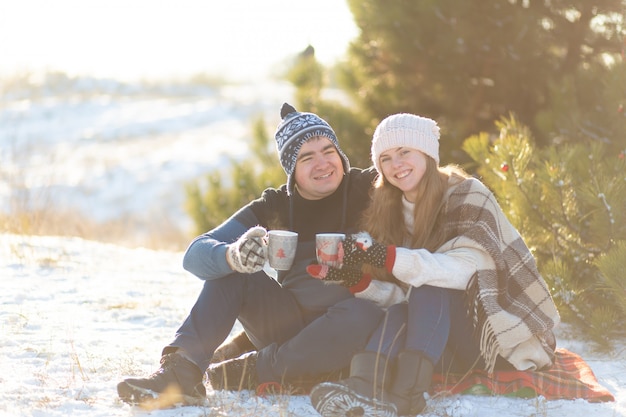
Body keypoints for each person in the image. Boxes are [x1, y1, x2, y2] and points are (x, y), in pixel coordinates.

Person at [116, 103, 386, 407]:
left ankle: (262, 369)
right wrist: (233, 256)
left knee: (366, 311)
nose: (322, 163)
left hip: (349, 324)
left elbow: (420, 183)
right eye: (307, 157)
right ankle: (181, 374)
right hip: (286, 324)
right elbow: (194, 254)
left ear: (340, 154)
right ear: (292, 171)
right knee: (232, 274)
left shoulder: (370, 187)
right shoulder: (276, 205)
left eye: (328, 151)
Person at [306, 113, 561, 417]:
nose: (396, 164)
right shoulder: (390, 208)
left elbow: (466, 272)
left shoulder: (467, 195)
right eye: (385, 158)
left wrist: (384, 256)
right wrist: (359, 282)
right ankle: (365, 384)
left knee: (431, 286)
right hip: (439, 343)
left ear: (426, 152)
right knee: (406, 307)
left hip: (499, 341)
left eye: (405, 152)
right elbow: (407, 300)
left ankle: (407, 396)